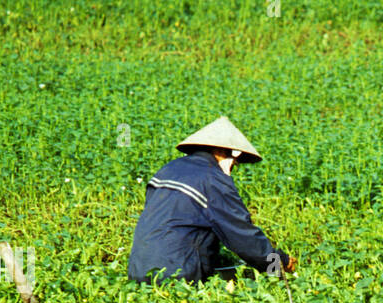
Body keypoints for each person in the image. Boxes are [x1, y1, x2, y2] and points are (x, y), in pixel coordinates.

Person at [127, 116, 297, 284]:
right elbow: (242, 235)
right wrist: (277, 263)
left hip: (138, 271)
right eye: (235, 162)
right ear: (223, 152)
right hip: (176, 276)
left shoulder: (167, 169)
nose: (234, 167)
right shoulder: (213, 180)